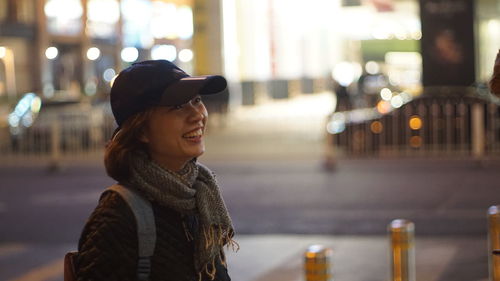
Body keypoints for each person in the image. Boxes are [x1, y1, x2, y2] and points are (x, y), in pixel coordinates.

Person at [75, 60, 237, 281]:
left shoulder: (199, 196)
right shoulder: (117, 218)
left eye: (197, 100)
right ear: (141, 129)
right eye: (178, 106)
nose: (197, 115)